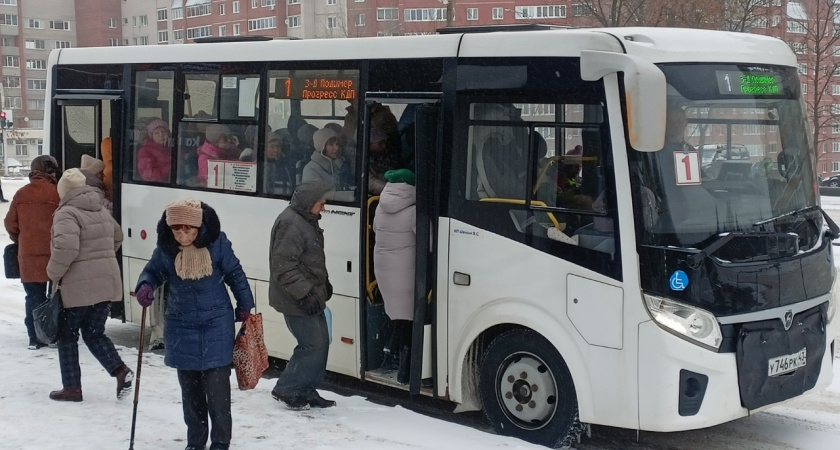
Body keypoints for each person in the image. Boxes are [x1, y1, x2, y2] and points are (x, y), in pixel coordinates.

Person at [134, 198, 254, 450]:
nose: (182, 234)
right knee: (190, 392)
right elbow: (153, 272)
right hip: (181, 323)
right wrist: (146, 285)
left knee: (217, 389)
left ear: (199, 227)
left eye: (188, 228)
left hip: (216, 322)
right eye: (176, 229)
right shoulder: (166, 249)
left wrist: (244, 304)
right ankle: (195, 442)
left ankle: (220, 442)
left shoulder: (217, 244)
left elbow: (235, 273)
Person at [46, 168, 133, 402]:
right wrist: (101, 259)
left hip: (77, 287)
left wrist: (53, 273)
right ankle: (120, 371)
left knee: (67, 335)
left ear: (63, 191)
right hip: (105, 284)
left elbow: (66, 249)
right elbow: (118, 236)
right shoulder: (100, 209)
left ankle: (72, 388)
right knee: (94, 333)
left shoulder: (67, 213)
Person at [268, 179, 336, 410]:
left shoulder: (306, 220)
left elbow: (310, 260)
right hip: (295, 298)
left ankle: (306, 389)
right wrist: (305, 293)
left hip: (310, 296)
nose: (324, 207)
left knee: (321, 343)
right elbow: (283, 265)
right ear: (309, 202)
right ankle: (287, 388)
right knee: (312, 345)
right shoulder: (292, 224)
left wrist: (323, 284)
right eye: (321, 203)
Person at [4, 155, 61, 349]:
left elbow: (10, 224)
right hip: (54, 255)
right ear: (50, 172)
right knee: (54, 297)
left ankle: (34, 338)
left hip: (28, 256)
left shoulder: (21, 194)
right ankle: (51, 333)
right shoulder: (57, 194)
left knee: (33, 297)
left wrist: (22, 240)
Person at [372, 169, 417, 384]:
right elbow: (429, 242)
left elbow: (375, 230)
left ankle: (390, 350)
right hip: (406, 273)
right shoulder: (413, 211)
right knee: (409, 321)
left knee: (399, 317)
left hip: (384, 270)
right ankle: (405, 371)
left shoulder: (380, 206)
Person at [302, 127, 351, 194]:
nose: (336, 148)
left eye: (337, 144)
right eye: (331, 144)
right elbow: (313, 197)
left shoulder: (341, 165)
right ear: (321, 147)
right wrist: (347, 197)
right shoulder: (310, 169)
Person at [368, 126, 402, 195]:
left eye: (384, 142)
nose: (384, 146)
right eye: (379, 144)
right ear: (368, 145)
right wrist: (394, 190)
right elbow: (371, 183)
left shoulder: (390, 155)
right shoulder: (361, 161)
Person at [260, 131, 295, 196]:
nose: (276, 150)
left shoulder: (287, 165)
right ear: (265, 148)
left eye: (278, 146)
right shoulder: (260, 166)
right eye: (272, 147)